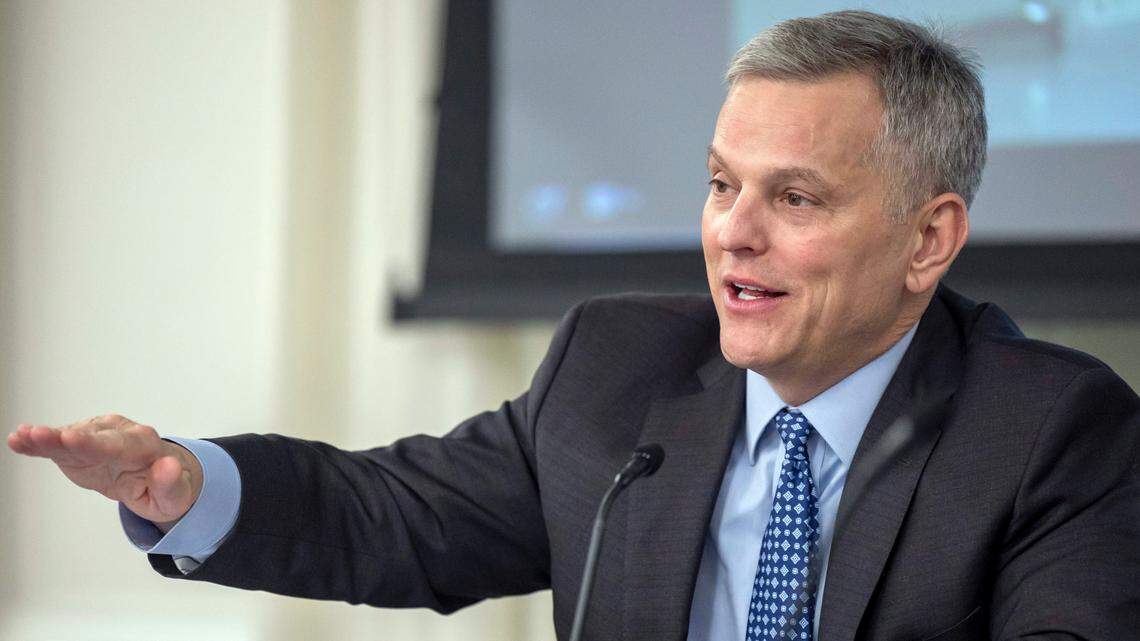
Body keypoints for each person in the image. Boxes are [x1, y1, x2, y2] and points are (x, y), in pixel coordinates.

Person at [8, 10, 1139, 641]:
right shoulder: (622, 366)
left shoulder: (1051, 428)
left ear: (930, 239)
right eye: (718, 183)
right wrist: (177, 481)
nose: (731, 234)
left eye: (793, 198)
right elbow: (396, 513)